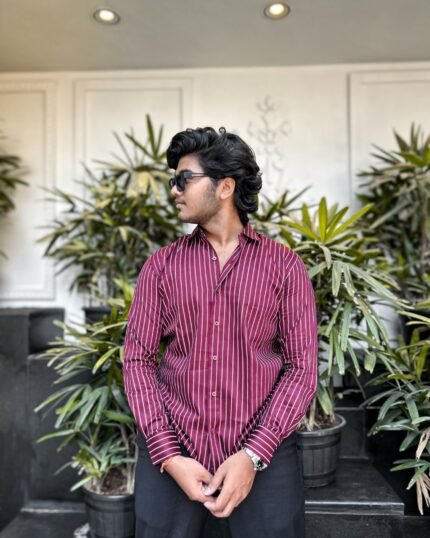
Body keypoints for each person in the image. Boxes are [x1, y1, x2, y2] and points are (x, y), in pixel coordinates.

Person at [123, 127, 318, 538]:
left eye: (184, 179)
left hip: (265, 459)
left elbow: (301, 368)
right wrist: (168, 454)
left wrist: (254, 454)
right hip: (173, 454)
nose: (174, 190)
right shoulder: (160, 267)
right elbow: (137, 360)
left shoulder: (285, 267)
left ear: (225, 186)